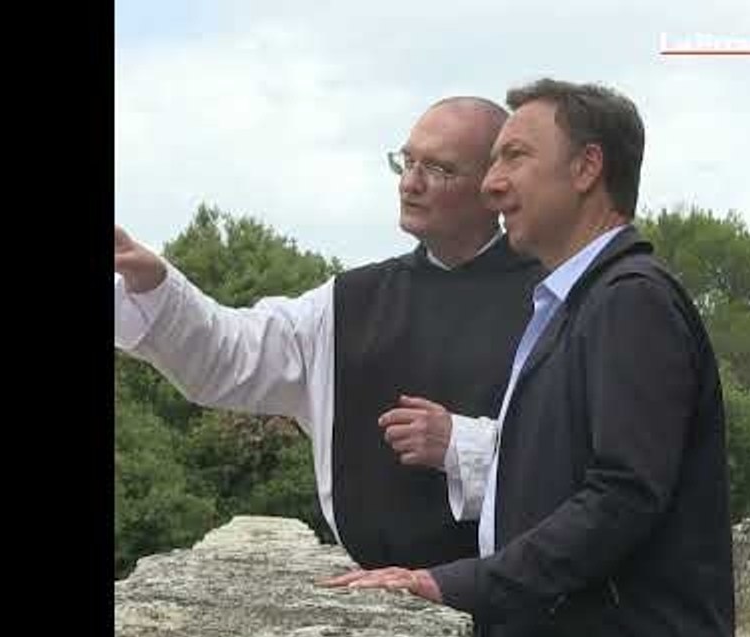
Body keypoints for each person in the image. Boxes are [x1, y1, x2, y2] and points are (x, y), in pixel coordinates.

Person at [325, 79, 735, 637]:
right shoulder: (577, 304)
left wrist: (453, 582)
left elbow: (621, 496)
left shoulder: (630, 301)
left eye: (514, 157)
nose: (492, 185)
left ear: (586, 168)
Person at [114, 96, 546, 570]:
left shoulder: (554, 300)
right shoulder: (350, 300)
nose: (410, 183)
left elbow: (583, 464)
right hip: (377, 592)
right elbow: (229, 358)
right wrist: (154, 284)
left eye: (438, 169)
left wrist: (460, 445)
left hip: (518, 596)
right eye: (406, 162)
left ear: (493, 185)